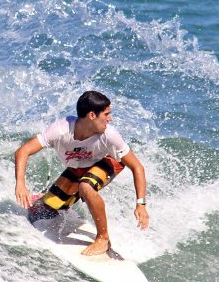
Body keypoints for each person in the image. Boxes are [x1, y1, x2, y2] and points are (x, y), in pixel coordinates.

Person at [14, 90, 149, 256]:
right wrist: (20, 183)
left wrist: (140, 204)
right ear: (92, 115)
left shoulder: (109, 135)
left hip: (109, 162)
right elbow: (23, 151)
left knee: (86, 186)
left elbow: (137, 167)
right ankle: (59, 201)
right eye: (106, 114)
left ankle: (103, 239)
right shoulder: (61, 130)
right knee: (42, 210)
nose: (110, 118)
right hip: (79, 168)